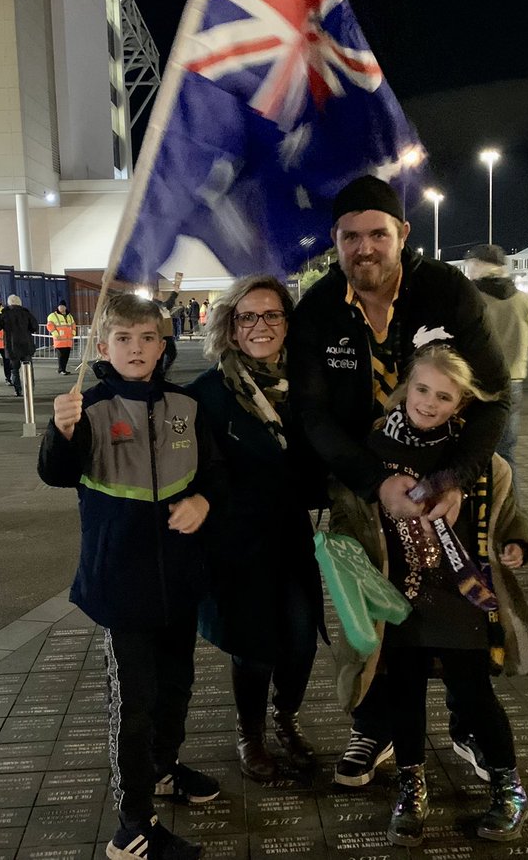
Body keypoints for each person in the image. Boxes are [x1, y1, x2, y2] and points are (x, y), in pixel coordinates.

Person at [287, 174, 510, 792]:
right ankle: (373, 722)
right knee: (370, 614)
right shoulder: (318, 308)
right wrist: (372, 481)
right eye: (350, 236)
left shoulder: (447, 291)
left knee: (461, 610)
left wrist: (456, 475)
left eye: (377, 235)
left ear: (402, 235)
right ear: (334, 241)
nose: (365, 249)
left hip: (450, 487)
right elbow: (312, 415)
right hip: (361, 487)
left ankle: (468, 722)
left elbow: (495, 398)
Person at [38, 293, 224, 860]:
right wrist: (60, 431)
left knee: (177, 688)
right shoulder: (86, 406)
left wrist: (205, 502)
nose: (136, 348)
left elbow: (215, 472)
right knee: (134, 703)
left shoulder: (186, 404)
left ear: (163, 346)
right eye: (124, 339)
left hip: (180, 581)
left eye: (147, 338)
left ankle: (164, 770)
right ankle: (133, 825)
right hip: (120, 585)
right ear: (103, 345)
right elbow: (55, 474)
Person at [358, 345, 528, 846]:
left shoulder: (473, 455)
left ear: (460, 404)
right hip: (398, 599)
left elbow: (507, 507)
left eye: (444, 396)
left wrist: (517, 543)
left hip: (462, 597)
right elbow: (347, 508)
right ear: (405, 388)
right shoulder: (374, 449)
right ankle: (411, 785)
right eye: (421, 389)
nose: (428, 402)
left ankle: (509, 786)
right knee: (404, 695)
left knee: (474, 694)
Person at [188, 275, 325, 783]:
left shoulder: (308, 387)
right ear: (231, 326)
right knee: (254, 643)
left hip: (290, 536)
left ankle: (285, 717)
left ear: (288, 323)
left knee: (301, 638)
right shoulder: (208, 393)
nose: (261, 325)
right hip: (235, 541)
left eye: (272, 315)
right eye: (248, 316)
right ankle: (251, 733)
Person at [465, 245, 528, 483]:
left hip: (477, 382)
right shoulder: (522, 300)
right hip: (513, 380)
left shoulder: (472, 297)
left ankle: (479, 511)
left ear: (479, 266)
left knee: (473, 451)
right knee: (507, 452)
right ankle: (510, 510)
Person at [0, 294, 38, 396]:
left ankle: (18, 390)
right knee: (28, 368)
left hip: (12, 345)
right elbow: (35, 326)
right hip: (26, 344)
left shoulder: (5, 314)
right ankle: (30, 389)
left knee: (14, 370)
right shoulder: (26, 313)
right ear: (20, 303)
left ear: (9, 303)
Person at [46, 302, 76, 374]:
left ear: (65, 307)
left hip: (68, 340)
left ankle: (63, 369)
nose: (61, 308)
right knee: (61, 356)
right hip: (59, 340)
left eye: (63, 306)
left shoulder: (69, 316)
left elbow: (73, 325)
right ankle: (61, 369)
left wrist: (73, 332)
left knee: (66, 356)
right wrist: (56, 334)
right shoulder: (52, 316)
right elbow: (50, 326)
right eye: (60, 306)